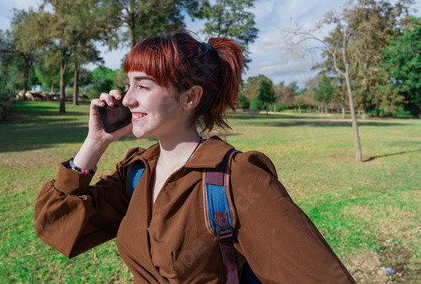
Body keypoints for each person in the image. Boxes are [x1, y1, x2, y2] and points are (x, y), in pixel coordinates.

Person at [34, 29, 356, 283]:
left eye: (143, 86)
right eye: (128, 84)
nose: (127, 99)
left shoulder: (237, 177)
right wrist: (95, 142)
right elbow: (56, 225)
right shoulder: (137, 171)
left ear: (190, 97)